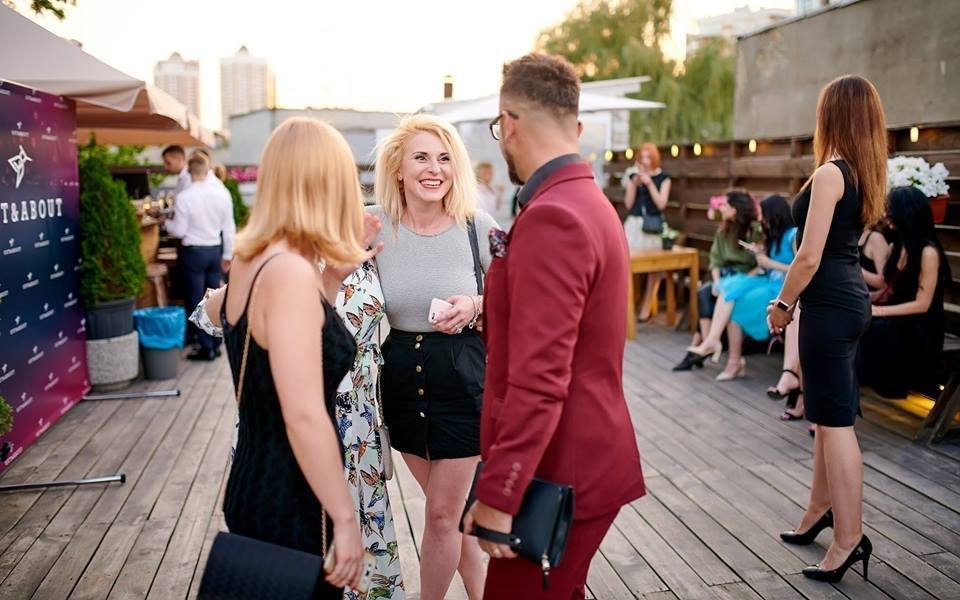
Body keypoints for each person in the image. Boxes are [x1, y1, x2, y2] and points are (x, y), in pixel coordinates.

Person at [461, 52, 645, 599]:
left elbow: (541, 377)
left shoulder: (552, 216)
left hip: (557, 470)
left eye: (498, 129)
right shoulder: (591, 202)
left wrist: (501, 492)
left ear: (510, 123)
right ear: (576, 127)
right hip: (579, 459)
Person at [199, 117, 372, 595]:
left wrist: (331, 280)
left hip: (255, 478)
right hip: (292, 495)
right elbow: (301, 414)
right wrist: (345, 519)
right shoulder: (290, 272)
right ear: (326, 185)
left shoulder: (253, 259)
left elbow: (289, 351)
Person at [193, 259, 406, 600]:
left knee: (356, 559)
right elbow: (210, 316)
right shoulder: (282, 264)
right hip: (296, 435)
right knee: (299, 565)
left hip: (358, 429)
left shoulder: (361, 253)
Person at [369, 114, 495, 600]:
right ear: (398, 168)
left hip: (462, 376)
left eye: (444, 159)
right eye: (421, 157)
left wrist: (477, 304)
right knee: (454, 517)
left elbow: (523, 293)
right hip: (400, 376)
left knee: (442, 515)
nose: (434, 169)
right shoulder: (372, 225)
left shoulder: (476, 227)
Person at [769, 75, 888, 583]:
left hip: (830, 308)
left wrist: (783, 305)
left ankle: (848, 538)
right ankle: (820, 508)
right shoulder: (859, 173)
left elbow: (809, 255)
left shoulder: (830, 174)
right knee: (824, 411)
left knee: (835, 424)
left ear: (833, 115)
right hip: (847, 302)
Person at [686, 194, 797, 381]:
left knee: (735, 300)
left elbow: (800, 269)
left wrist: (770, 263)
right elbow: (766, 265)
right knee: (730, 289)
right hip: (768, 281)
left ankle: (732, 359)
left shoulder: (793, 235)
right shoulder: (773, 235)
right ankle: (717, 345)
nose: (761, 219)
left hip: (783, 288)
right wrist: (760, 254)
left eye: (764, 215)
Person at [858, 185, 948, 400]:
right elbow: (890, 289)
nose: (885, 215)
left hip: (920, 325)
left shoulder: (928, 252)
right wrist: (867, 299)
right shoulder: (898, 245)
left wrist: (880, 311)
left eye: (890, 210)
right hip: (897, 314)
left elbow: (922, 304)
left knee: (874, 328)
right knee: (854, 318)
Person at [673, 190, 758, 371]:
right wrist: (718, 282)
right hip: (726, 278)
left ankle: (703, 347)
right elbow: (715, 261)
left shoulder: (754, 231)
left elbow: (760, 265)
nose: (721, 208)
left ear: (735, 209)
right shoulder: (723, 231)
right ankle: (707, 342)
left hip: (747, 279)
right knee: (705, 291)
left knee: (709, 294)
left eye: (725, 205)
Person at [165, 153, 236, 361]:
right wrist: (228, 254)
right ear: (207, 170)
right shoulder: (222, 193)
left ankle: (206, 347)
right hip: (214, 250)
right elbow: (229, 227)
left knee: (197, 300)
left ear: (189, 170)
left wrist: (166, 223)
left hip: (194, 253)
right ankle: (216, 343)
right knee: (213, 297)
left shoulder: (185, 197)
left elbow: (179, 230)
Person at [623, 143, 672, 321]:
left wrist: (650, 184)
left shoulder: (663, 178)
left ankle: (647, 304)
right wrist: (634, 183)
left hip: (653, 226)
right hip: (634, 226)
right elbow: (628, 204)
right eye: (642, 157)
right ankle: (627, 304)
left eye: (648, 157)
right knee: (626, 264)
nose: (645, 161)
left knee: (654, 267)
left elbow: (661, 204)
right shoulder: (633, 176)